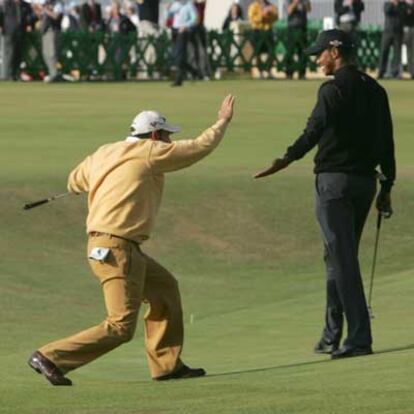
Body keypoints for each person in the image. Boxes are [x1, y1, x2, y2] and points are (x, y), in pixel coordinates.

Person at [28, 94, 235, 386]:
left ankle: (166, 364)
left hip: (117, 247)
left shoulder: (104, 152)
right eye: (166, 136)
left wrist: (91, 183)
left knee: (164, 288)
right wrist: (222, 122)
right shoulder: (151, 151)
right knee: (121, 327)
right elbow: (198, 147)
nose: (169, 143)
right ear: (153, 135)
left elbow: (75, 180)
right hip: (116, 249)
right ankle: (50, 357)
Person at [254, 30, 395, 359]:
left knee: (342, 260)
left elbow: (313, 131)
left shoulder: (332, 89)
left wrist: (285, 159)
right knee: (337, 257)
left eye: (321, 54)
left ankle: (359, 339)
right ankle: (331, 334)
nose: (317, 60)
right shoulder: (375, 89)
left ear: (336, 51)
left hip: (334, 185)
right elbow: (387, 142)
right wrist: (387, 187)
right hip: (365, 185)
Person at [0, 0, 36, 80]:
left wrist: (30, 25)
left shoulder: (26, 5)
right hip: (8, 31)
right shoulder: (6, 3)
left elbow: (31, 17)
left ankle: (14, 75)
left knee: (18, 54)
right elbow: (1, 15)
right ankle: (5, 75)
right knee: (8, 54)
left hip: (21, 32)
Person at [168, 0, 199, 86]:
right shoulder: (175, 4)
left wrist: (186, 26)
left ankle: (179, 80)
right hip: (174, 31)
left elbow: (195, 19)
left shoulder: (189, 5)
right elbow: (170, 15)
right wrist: (168, 10)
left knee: (180, 55)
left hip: (183, 31)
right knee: (175, 55)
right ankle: (194, 71)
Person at [248, 0, 278, 79]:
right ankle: (260, 72)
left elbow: (276, 17)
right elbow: (252, 18)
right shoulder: (254, 6)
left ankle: (269, 71)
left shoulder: (270, 5)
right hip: (257, 32)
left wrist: (270, 13)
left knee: (271, 52)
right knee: (257, 53)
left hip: (268, 31)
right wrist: (263, 14)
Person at [378, 0, 407, 79]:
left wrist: (397, 5)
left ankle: (395, 73)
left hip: (398, 32)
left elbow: (403, 13)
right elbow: (387, 11)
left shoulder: (402, 5)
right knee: (384, 51)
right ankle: (381, 71)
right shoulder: (387, 4)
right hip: (388, 32)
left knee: (397, 54)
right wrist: (393, 4)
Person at [285, 0, 311, 80]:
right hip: (292, 28)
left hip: (302, 28)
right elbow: (289, 10)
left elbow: (309, 9)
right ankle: (289, 73)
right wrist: (295, 2)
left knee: (303, 51)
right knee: (290, 51)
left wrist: (306, 3)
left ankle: (302, 73)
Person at [40, 0, 63, 82]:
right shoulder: (46, 5)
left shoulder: (58, 5)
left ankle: (55, 74)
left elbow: (55, 16)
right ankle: (52, 73)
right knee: (46, 53)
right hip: (45, 31)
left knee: (52, 53)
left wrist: (46, 10)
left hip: (52, 30)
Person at [404, 0, 414, 79]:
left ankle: (411, 71)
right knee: (409, 51)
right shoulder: (402, 5)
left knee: (411, 51)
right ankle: (411, 72)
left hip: (411, 29)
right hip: (406, 29)